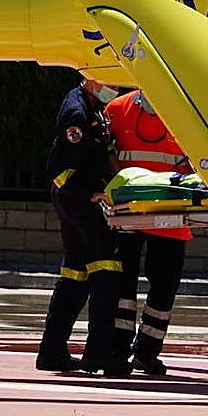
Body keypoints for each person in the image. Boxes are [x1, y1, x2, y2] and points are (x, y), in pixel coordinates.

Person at [36, 77, 124, 373]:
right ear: (90, 79)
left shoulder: (91, 107)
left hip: (74, 199)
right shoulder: (78, 113)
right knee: (107, 271)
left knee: (75, 274)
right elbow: (63, 168)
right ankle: (99, 353)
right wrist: (90, 195)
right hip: (79, 199)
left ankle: (52, 351)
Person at [104, 88, 191, 376]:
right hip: (132, 210)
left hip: (171, 210)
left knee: (164, 282)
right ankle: (119, 349)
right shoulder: (117, 109)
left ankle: (146, 351)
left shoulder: (190, 111)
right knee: (123, 282)